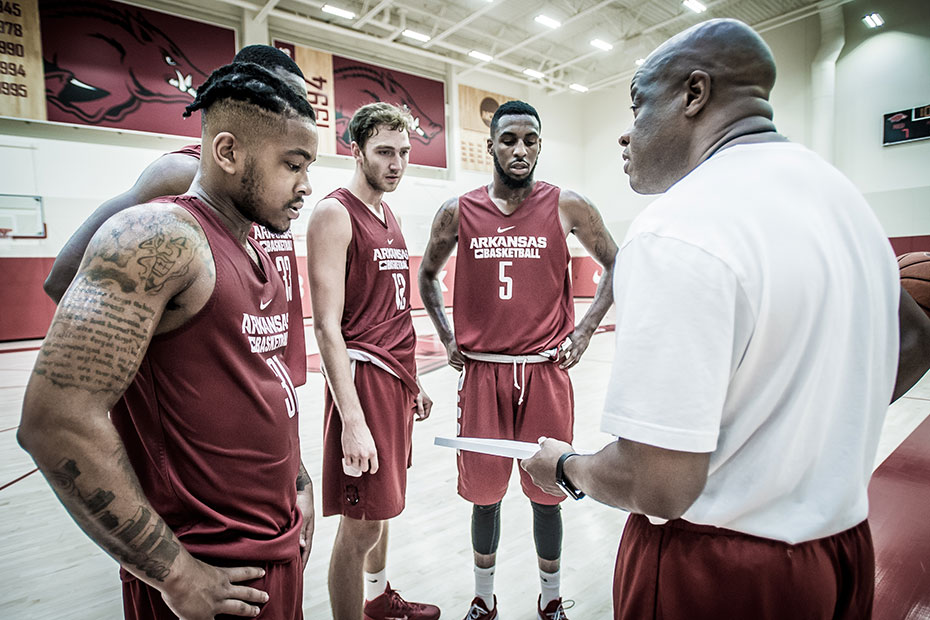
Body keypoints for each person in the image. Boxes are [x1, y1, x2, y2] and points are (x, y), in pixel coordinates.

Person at [522, 18, 930, 619]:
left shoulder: (679, 225)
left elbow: (658, 482)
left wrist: (564, 467)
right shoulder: (845, 201)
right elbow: (917, 338)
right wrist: (809, 430)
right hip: (842, 548)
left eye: (637, 107)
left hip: (718, 569)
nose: (624, 135)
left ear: (694, 94)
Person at [18, 61, 318, 620]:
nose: (306, 186)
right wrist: (176, 575)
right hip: (209, 569)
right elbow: (55, 421)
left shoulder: (254, 249)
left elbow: (265, 385)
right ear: (227, 153)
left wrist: (296, 479)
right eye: (293, 166)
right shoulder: (160, 236)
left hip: (273, 551)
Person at [418, 100, 618, 620]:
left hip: (545, 371)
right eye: (509, 139)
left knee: (548, 491)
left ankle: (550, 602)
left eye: (530, 139)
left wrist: (588, 327)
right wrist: (445, 336)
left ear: (540, 145)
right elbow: (427, 277)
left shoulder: (566, 206)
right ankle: (484, 600)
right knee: (485, 495)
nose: (521, 149)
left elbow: (619, 264)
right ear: (490, 146)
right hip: (483, 373)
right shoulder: (458, 210)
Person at [43, 44, 309, 385]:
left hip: (267, 376)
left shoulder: (277, 180)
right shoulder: (182, 173)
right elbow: (63, 279)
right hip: (208, 394)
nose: (300, 112)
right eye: (286, 96)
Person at [305, 102, 440, 620]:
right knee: (360, 524)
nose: (397, 164)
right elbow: (326, 327)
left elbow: (391, 310)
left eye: (404, 153)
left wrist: (413, 383)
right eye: (385, 152)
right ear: (355, 151)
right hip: (360, 383)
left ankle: (380, 599)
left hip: (393, 381)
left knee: (383, 510)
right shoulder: (333, 214)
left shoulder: (391, 214)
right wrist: (353, 423)